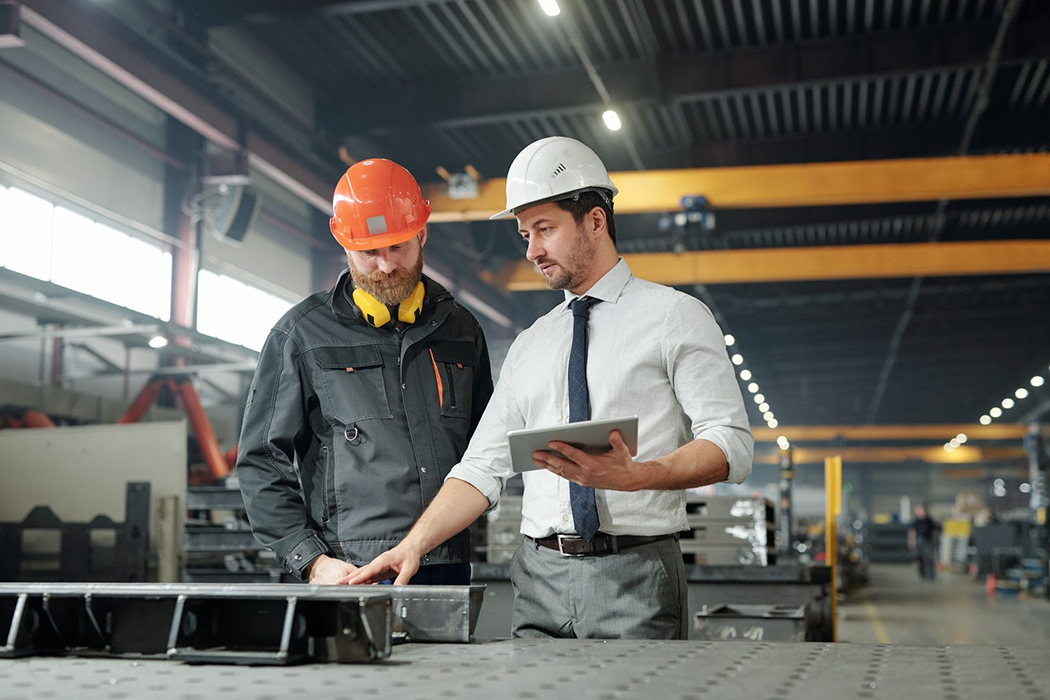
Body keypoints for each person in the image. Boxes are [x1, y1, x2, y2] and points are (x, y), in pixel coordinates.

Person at [349, 137, 754, 639]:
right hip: (538, 577)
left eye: (545, 229)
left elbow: (731, 443)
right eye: (524, 234)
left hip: (636, 572)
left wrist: (639, 475)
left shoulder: (674, 318)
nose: (532, 250)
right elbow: (481, 467)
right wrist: (414, 545)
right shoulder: (531, 344)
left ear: (596, 221)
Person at [236, 158, 493, 585]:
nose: (387, 265)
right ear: (344, 244)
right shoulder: (301, 336)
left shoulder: (462, 330)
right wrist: (312, 560)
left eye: (399, 247)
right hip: (352, 571)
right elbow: (261, 460)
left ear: (422, 234)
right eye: (369, 252)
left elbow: (488, 450)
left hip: (446, 562)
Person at [909, 503, 940, 580]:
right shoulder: (916, 521)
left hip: (928, 540)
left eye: (924, 510)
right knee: (920, 559)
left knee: (929, 558)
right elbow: (912, 532)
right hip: (919, 540)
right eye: (921, 510)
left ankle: (930, 575)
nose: (923, 512)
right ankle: (922, 575)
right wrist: (912, 542)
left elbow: (935, 531)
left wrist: (935, 540)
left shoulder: (929, 520)